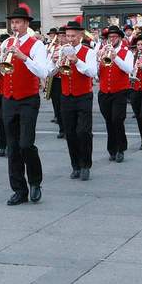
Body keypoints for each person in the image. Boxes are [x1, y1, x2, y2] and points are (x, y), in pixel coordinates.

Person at [0, 3, 51, 205]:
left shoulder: (37, 45)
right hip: (8, 99)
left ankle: (35, 182)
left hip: (27, 99)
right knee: (13, 147)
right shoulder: (8, 41)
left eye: (18, 22)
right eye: (12, 23)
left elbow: (43, 72)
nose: (14, 26)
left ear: (26, 23)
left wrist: (24, 57)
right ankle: (19, 189)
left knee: (26, 144)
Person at [56, 18, 98, 180]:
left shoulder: (89, 52)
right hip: (66, 96)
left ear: (80, 35)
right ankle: (75, 165)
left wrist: (77, 60)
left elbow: (92, 72)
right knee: (70, 132)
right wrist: (55, 64)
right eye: (68, 36)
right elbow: (51, 73)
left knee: (84, 132)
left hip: (83, 96)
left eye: (73, 36)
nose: (70, 39)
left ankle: (86, 165)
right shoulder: (62, 50)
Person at [96, 25, 134, 162]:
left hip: (120, 92)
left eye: (114, 37)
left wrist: (115, 57)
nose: (112, 39)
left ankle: (121, 149)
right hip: (104, 91)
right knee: (109, 121)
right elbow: (95, 74)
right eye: (110, 37)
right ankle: (111, 149)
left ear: (119, 38)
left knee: (117, 120)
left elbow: (129, 69)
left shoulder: (126, 52)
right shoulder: (101, 51)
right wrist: (98, 59)